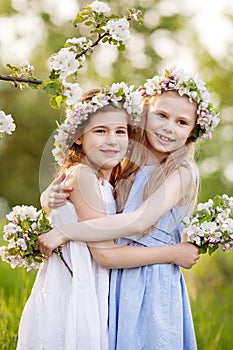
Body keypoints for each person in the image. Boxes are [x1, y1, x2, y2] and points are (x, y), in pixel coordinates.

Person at [38, 67, 219, 349]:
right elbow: (85, 188)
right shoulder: (126, 162)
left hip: (153, 282)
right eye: (162, 115)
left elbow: (137, 221)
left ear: (193, 133)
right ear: (144, 115)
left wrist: (66, 232)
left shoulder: (181, 172)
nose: (169, 127)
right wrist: (50, 195)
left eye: (182, 122)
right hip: (116, 276)